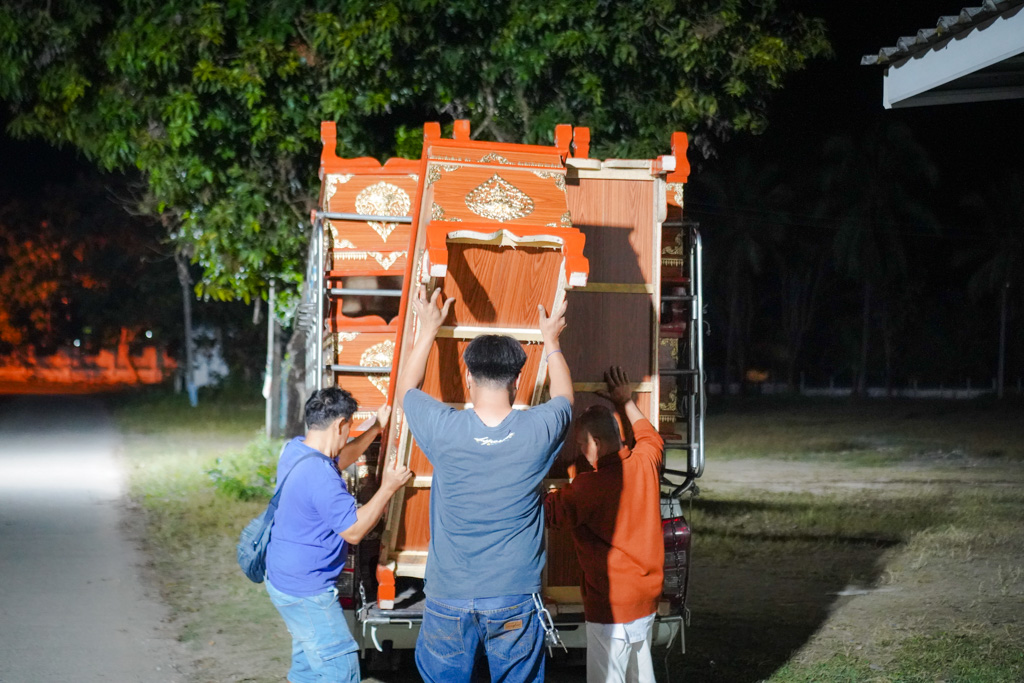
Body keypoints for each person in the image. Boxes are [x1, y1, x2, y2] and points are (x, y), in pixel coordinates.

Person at [393, 285, 574, 683]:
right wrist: (551, 340)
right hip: (513, 595)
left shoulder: (444, 429)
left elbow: (406, 391)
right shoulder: (538, 430)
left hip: (448, 594)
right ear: (517, 380)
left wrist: (429, 329)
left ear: (468, 377)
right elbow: (564, 397)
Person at [265, 387, 412, 683]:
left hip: (284, 579)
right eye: (349, 427)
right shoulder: (321, 477)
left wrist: (375, 428)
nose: (347, 434)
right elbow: (354, 531)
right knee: (341, 672)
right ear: (340, 424)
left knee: (308, 667)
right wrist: (388, 487)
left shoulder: (297, 450)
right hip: (307, 591)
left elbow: (341, 457)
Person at [544, 366, 665, 683]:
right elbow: (650, 436)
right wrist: (625, 401)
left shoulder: (589, 486)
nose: (580, 452)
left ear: (596, 443)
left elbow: (549, 512)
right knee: (641, 676)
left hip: (611, 609)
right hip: (646, 600)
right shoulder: (646, 462)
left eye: (581, 444)